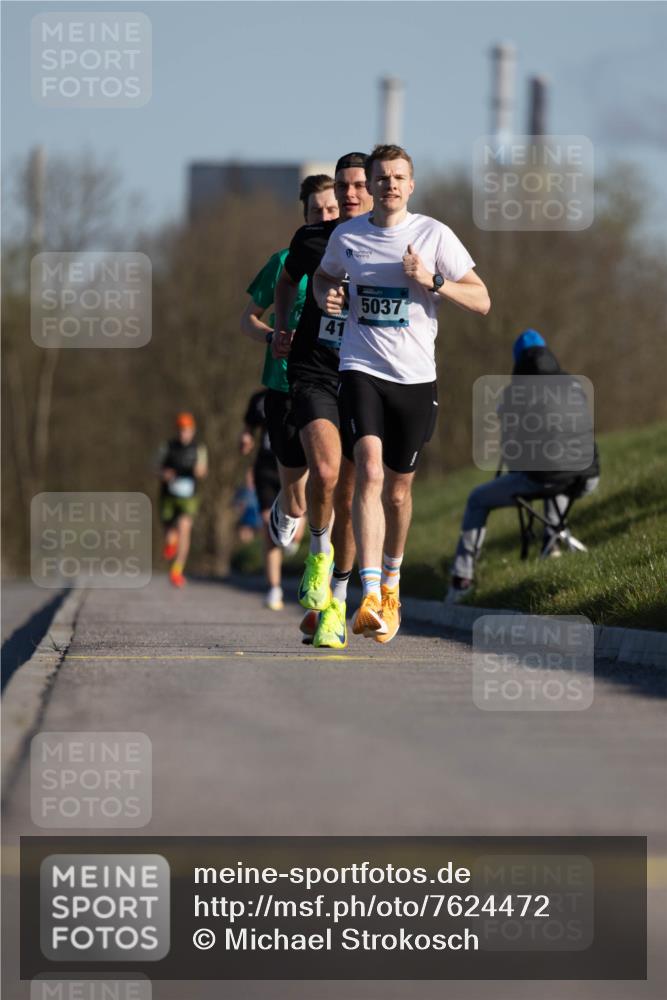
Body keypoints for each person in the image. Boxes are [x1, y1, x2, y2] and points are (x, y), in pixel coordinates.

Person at [314, 144, 490, 642]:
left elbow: (482, 300)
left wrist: (433, 280)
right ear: (367, 186)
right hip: (360, 367)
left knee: (398, 490)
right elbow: (324, 275)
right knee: (367, 468)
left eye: (398, 177)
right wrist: (323, 293)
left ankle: (391, 583)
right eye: (381, 177)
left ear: (410, 185)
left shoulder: (434, 235)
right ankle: (369, 594)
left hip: (415, 378)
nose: (389, 184)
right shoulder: (347, 236)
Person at [272, 153, 374, 649]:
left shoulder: (395, 241)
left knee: (352, 494)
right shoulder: (314, 239)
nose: (349, 195)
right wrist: (285, 326)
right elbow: (288, 279)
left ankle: (335, 602)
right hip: (314, 369)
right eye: (342, 187)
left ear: (375, 189)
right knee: (327, 472)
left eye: (358, 186)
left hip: (365, 373)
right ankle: (317, 553)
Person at [445, 330, 600, 603]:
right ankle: (552, 542)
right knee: (561, 474)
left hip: (545, 478)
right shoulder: (574, 383)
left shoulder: (514, 393)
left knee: (478, 499)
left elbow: (512, 451)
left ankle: (462, 579)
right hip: (587, 477)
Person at [240, 175, 339, 550]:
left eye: (332, 209)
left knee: (330, 474)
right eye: (318, 211)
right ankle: (288, 505)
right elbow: (247, 318)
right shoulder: (285, 261)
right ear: (306, 215)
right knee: (297, 499)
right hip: (283, 384)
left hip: (329, 382)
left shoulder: (355, 254)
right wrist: (272, 335)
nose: (326, 216)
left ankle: (325, 555)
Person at [239, 388, 294, 610]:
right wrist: (245, 439)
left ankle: (292, 539)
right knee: (267, 524)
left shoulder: (304, 389)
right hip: (266, 468)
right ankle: (274, 588)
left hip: (294, 466)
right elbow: (248, 429)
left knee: (295, 516)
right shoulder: (260, 399)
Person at [157, 412, 208, 587]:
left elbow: (203, 470)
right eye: (180, 430)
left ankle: (177, 570)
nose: (183, 433)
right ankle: (171, 543)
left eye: (186, 430)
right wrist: (164, 474)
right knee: (170, 532)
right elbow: (156, 467)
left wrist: (198, 471)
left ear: (192, 431)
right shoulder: (167, 447)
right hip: (169, 496)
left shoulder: (198, 449)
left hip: (189, 496)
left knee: (185, 528)